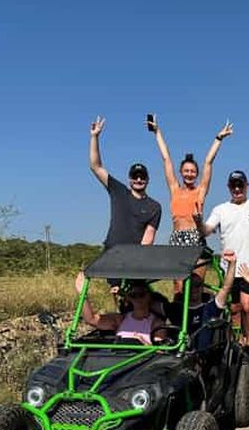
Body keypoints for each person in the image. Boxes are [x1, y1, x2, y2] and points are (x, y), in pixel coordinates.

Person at [195, 170, 249, 358]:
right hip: (229, 268)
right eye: (233, 185)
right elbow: (206, 230)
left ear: (246, 186)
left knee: (246, 305)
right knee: (234, 308)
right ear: (228, 187)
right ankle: (236, 343)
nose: (237, 188)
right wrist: (198, 221)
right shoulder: (220, 209)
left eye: (240, 185)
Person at [147, 116, 233, 292]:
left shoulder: (200, 192)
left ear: (196, 173)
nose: (189, 174)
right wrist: (157, 132)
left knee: (195, 285)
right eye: (186, 171)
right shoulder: (174, 189)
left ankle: (197, 317)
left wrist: (219, 138)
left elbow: (208, 162)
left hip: (195, 238)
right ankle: (179, 318)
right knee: (178, 286)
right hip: (177, 238)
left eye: (193, 171)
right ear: (180, 172)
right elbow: (166, 159)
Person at [89, 116, 162, 249]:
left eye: (142, 177)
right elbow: (96, 166)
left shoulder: (155, 207)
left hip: (132, 258)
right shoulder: (118, 190)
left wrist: (137, 262)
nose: (139, 180)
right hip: (110, 252)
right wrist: (95, 137)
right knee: (82, 272)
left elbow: (148, 239)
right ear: (129, 179)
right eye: (135, 176)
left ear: (148, 180)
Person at [165, 250, 237, 350]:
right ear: (184, 288)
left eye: (197, 285)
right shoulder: (175, 308)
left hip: (203, 358)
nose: (194, 289)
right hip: (178, 358)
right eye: (190, 286)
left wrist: (232, 264)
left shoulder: (210, 307)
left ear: (202, 287)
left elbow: (226, 288)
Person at [74, 273, 163, 345]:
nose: (138, 299)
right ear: (129, 298)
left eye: (141, 295)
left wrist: (142, 343)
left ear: (149, 296)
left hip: (144, 363)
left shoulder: (156, 323)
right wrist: (82, 294)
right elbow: (91, 319)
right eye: (133, 295)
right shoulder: (120, 319)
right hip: (119, 360)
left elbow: (160, 351)